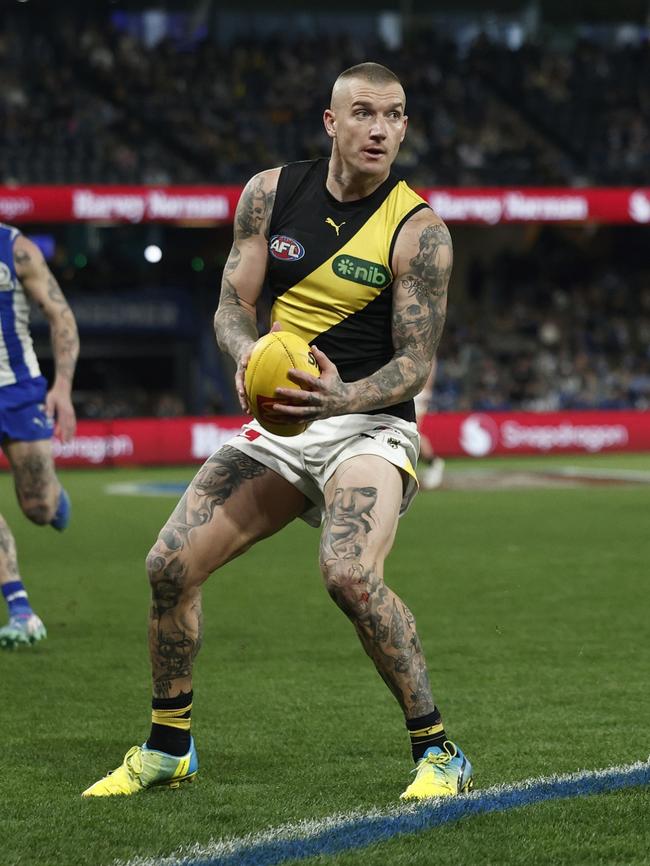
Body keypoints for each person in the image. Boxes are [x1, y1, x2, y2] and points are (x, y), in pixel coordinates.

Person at [83, 62, 472, 800]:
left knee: (349, 575)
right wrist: (247, 353)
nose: (381, 129)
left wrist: (340, 397)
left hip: (368, 425)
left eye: (395, 115)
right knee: (168, 566)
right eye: (364, 113)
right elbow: (233, 305)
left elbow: (416, 364)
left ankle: (440, 751)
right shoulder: (269, 194)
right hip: (283, 422)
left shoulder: (421, 232)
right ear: (332, 122)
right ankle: (169, 747)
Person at [0, 225, 78, 649]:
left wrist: (61, 387)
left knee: (37, 507)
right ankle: (21, 611)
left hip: (16, 390)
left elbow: (60, 314)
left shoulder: (17, 250)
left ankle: (53, 501)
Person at [414, 359, 446, 490]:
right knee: (411, 432)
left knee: (412, 432)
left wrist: (425, 390)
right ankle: (433, 463)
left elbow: (430, 362)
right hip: (412, 391)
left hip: (416, 393)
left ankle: (434, 463)